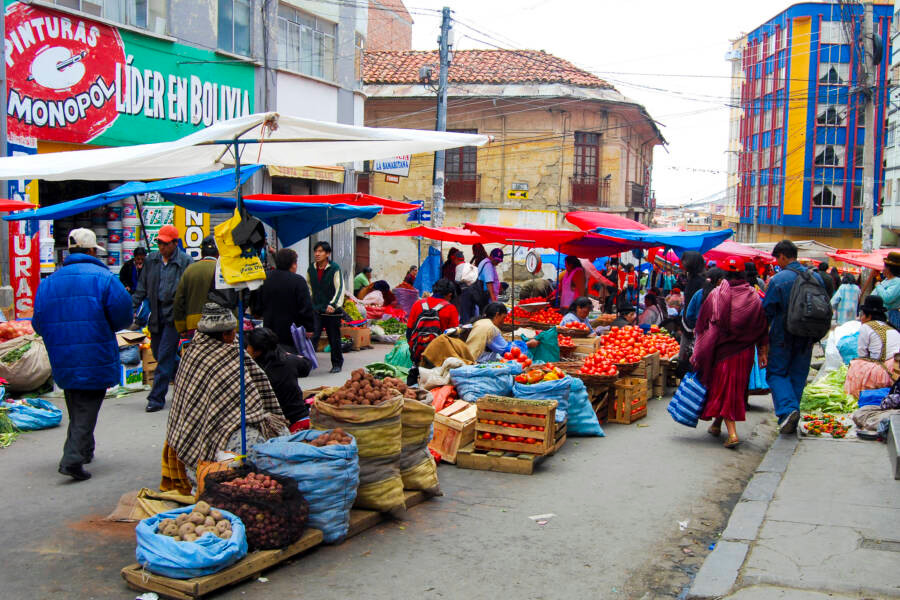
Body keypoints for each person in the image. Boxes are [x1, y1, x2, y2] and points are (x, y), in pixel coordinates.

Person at [33, 229, 132, 481]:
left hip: (62, 356)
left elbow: (37, 323)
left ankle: (85, 449)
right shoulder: (105, 278)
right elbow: (123, 317)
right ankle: (72, 458)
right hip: (94, 353)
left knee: (77, 402)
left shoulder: (49, 282)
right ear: (90, 251)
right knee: (87, 405)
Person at [165, 304, 288, 484]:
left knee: (275, 434)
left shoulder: (193, 349)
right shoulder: (223, 357)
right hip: (220, 436)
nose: (236, 336)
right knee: (254, 444)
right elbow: (250, 403)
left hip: (204, 430)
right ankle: (227, 477)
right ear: (224, 334)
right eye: (233, 332)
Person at [691, 258, 769, 449]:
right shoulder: (753, 296)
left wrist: (701, 347)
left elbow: (703, 324)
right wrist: (763, 351)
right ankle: (717, 424)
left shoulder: (717, 294)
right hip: (745, 352)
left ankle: (732, 434)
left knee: (726, 389)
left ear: (724, 274)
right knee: (732, 388)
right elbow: (762, 326)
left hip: (722, 351)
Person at [763, 240, 827, 435]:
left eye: (778, 259)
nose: (777, 263)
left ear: (783, 256)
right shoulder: (816, 278)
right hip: (807, 335)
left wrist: (762, 342)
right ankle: (791, 414)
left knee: (776, 373)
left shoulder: (778, 280)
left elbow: (767, 311)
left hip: (783, 334)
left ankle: (788, 411)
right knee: (798, 374)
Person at [132, 224, 193, 413]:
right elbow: (142, 287)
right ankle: (188, 378)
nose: (161, 247)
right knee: (160, 354)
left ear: (175, 243)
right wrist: (131, 307)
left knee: (165, 355)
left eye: (165, 244)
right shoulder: (152, 261)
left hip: (174, 315)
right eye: (159, 243)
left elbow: (187, 292)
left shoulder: (185, 262)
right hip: (156, 314)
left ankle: (156, 399)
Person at [252, 248, 315, 353]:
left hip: (270, 327)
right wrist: (309, 327)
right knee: (290, 357)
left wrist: (258, 312)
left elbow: (257, 303)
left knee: (272, 354)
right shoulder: (298, 281)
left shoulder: (265, 278)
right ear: (293, 264)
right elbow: (306, 307)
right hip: (292, 331)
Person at [246, 327, 312, 428]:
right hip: (300, 416)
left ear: (258, 350)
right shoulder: (288, 359)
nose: (247, 349)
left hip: (275, 423)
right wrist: (291, 356)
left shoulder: (255, 370)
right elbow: (307, 366)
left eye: (248, 346)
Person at [843, 296, 900, 399]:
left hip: (888, 371)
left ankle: (856, 395)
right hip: (897, 368)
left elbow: (862, 355)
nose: (861, 318)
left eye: (862, 315)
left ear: (868, 316)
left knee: (856, 364)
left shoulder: (866, 327)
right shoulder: (891, 327)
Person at [406, 278, 461, 384]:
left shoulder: (418, 304)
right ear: (449, 294)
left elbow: (409, 331)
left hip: (418, 351)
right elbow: (453, 337)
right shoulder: (450, 308)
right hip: (438, 355)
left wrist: (415, 350)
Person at [174, 235, 227, 338]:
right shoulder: (224, 270)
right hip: (220, 325)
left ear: (202, 253)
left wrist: (181, 327)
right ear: (218, 253)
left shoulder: (190, 270)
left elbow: (179, 300)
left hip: (194, 326)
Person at [307, 241, 344, 374]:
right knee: (314, 336)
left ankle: (337, 363)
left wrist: (333, 304)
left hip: (331, 311)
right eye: (316, 251)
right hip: (316, 308)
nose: (317, 254)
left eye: (321, 251)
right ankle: (307, 364)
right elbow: (310, 287)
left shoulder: (334, 268)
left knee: (334, 337)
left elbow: (339, 288)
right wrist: (310, 303)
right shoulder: (311, 269)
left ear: (327, 254)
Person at [465, 302, 537, 362]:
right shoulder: (491, 328)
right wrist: (527, 344)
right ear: (497, 315)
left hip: (468, 355)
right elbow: (505, 350)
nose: (503, 321)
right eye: (503, 317)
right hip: (475, 359)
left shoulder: (480, 322)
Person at [871, 252, 900, 329]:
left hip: (889, 317)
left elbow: (887, 298)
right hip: (879, 316)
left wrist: (878, 285)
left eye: (885, 267)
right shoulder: (885, 280)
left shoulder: (898, 282)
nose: (883, 269)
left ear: (890, 269)